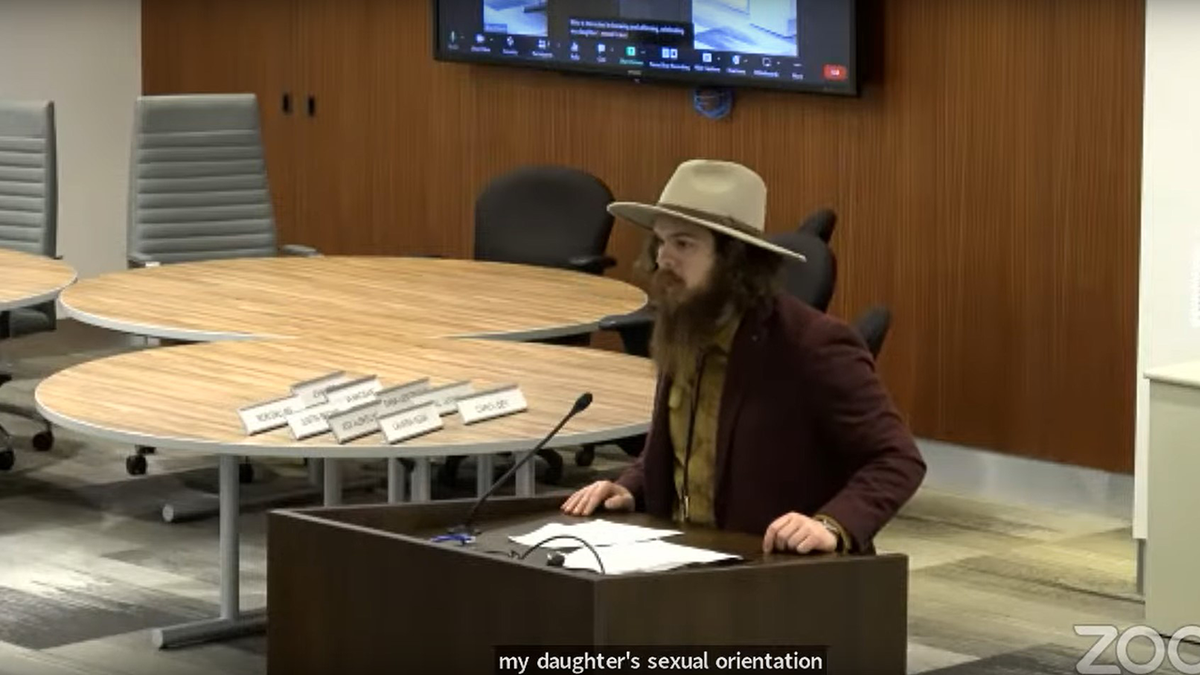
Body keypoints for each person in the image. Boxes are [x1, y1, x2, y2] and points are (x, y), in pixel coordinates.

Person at [561, 159, 926, 555]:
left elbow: (897, 459)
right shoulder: (685, 324)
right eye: (661, 242)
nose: (664, 258)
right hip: (681, 558)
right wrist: (631, 486)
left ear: (734, 260)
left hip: (774, 570)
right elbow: (686, 449)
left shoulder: (813, 345)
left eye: (684, 244)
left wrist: (830, 524)